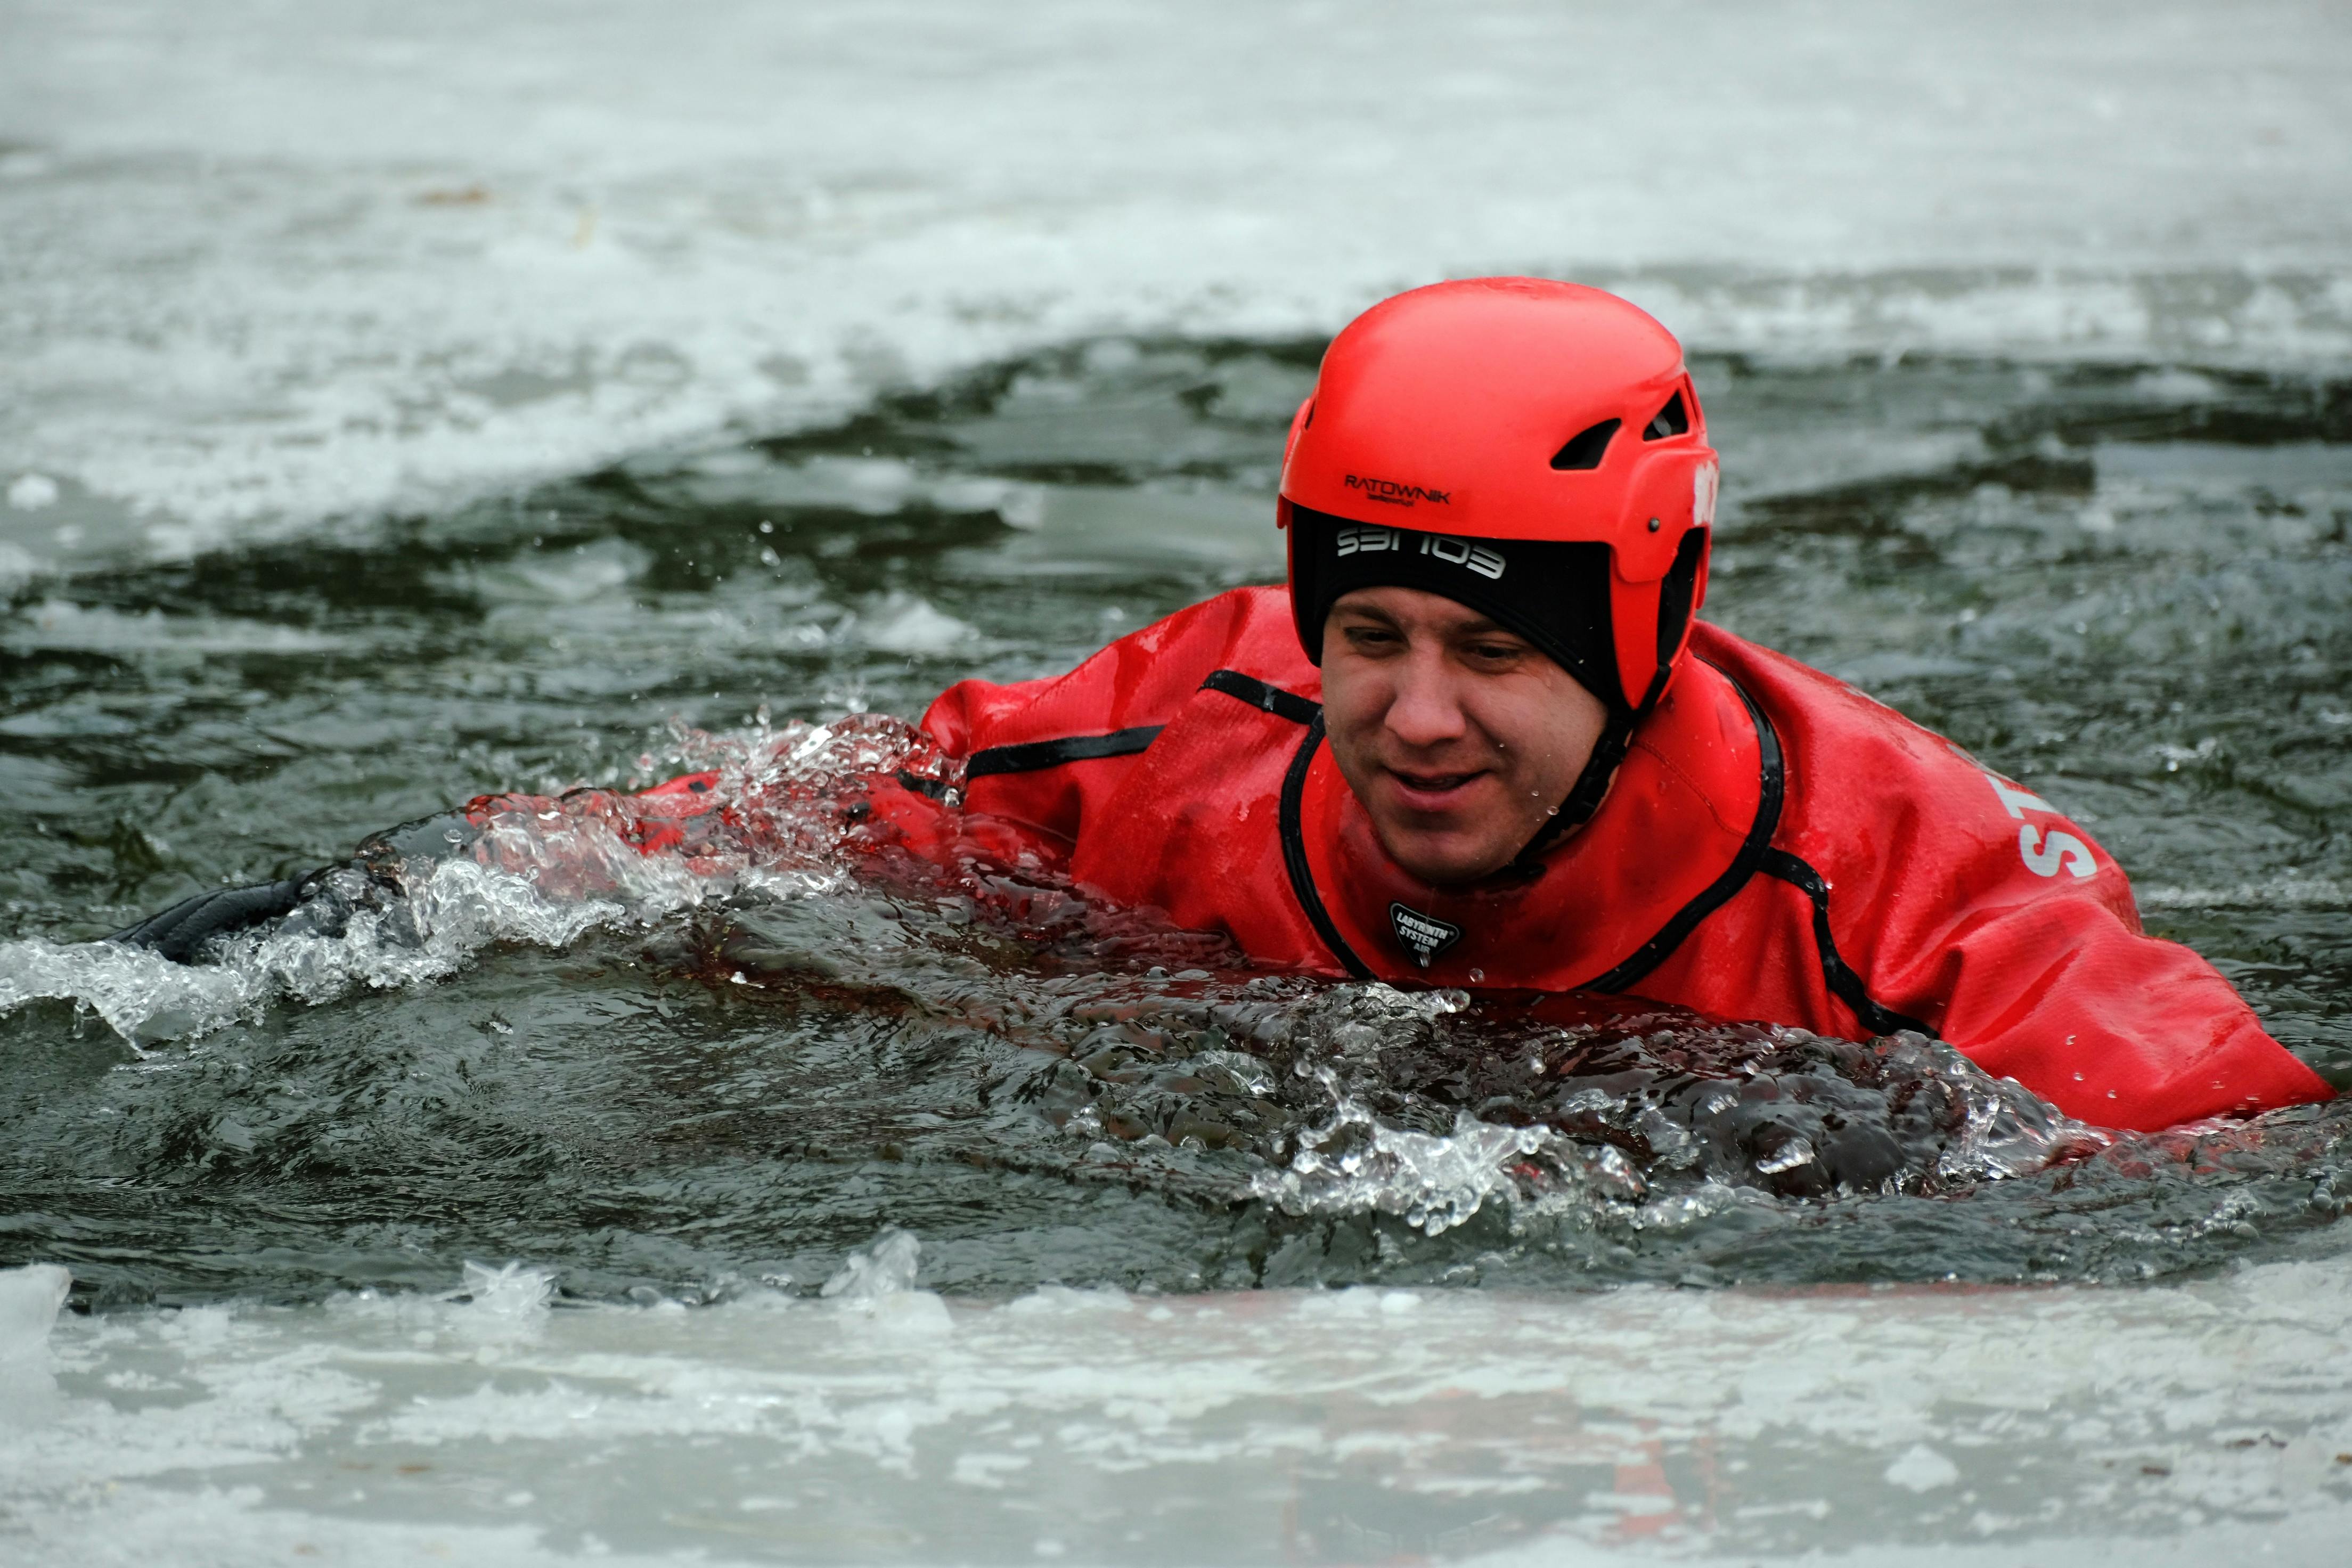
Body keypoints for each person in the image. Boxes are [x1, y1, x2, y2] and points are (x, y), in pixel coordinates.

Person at [115, 279, 2331, 1133]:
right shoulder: (1194, 719)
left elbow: (2226, 1165)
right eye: (1371, 633)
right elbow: (786, 819)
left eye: (1496, 648)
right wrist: (394, 893)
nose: (1417, 715)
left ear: (1653, 618)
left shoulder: (1901, 884)